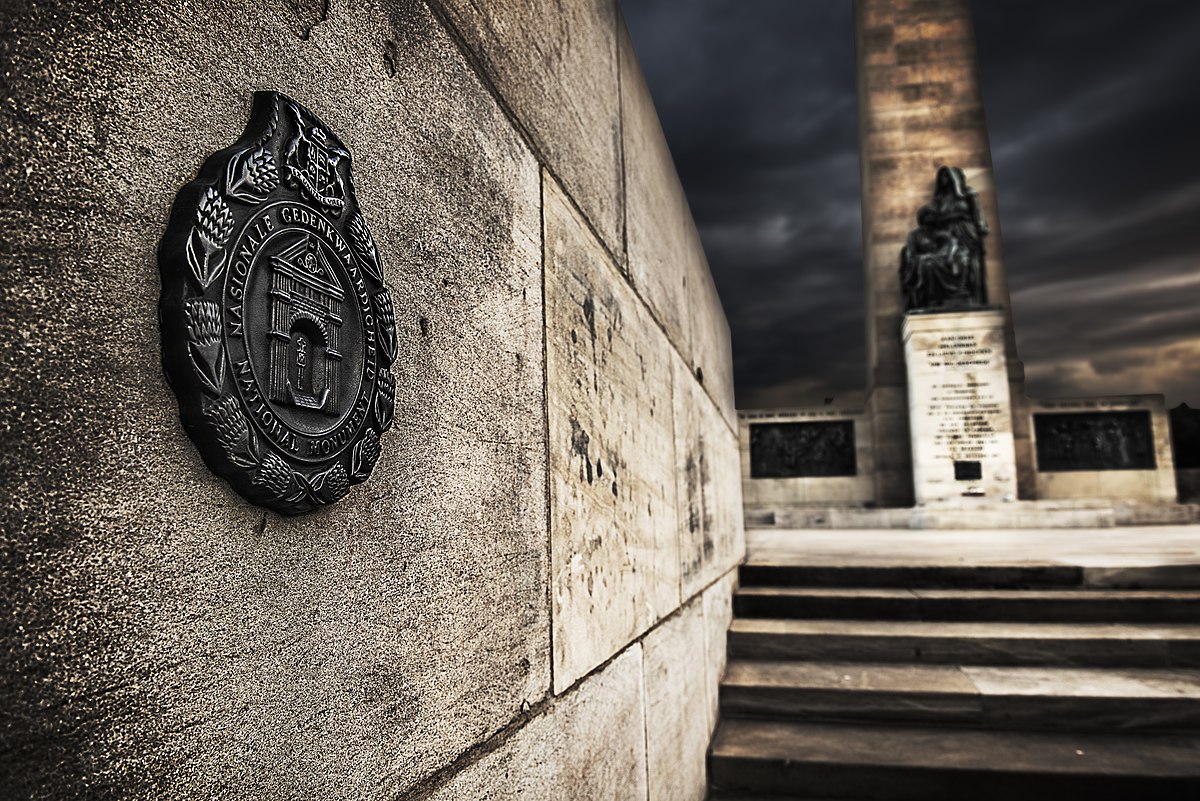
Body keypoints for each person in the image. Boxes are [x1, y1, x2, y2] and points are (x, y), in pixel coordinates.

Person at [899, 166, 989, 310]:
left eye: (947, 176)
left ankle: (971, 297)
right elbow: (931, 219)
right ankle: (942, 297)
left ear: (955, 178)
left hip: (966, 232)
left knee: (969, 264)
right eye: (942, 177)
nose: (944, 180)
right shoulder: (940, 200)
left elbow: (978, 217)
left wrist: (980, 228)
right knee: (943, 261)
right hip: (946, 233)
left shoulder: (968, 194)